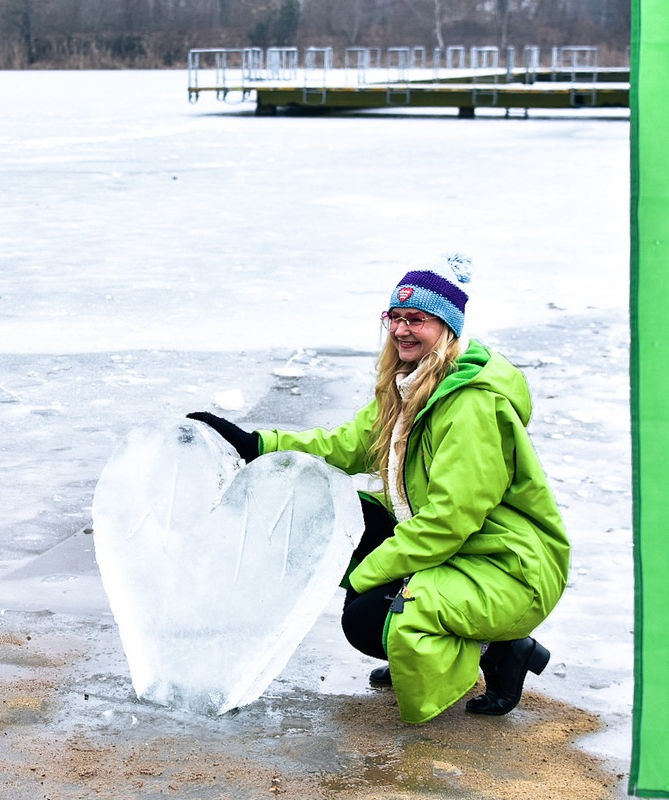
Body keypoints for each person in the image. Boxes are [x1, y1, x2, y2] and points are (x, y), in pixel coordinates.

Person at [189, 253, 569, 724]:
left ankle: (504, 651)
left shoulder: (471, 407)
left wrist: (367, 575)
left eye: (418, 319)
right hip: (461, 551)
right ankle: (415, 642)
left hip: (507, 566)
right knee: (345, 517)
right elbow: (347, 445)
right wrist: (257, 444)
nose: (402, 330)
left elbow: (450, 520)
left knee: (367, 619)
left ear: (447, 328)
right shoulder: (409, 384)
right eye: (396, 317)